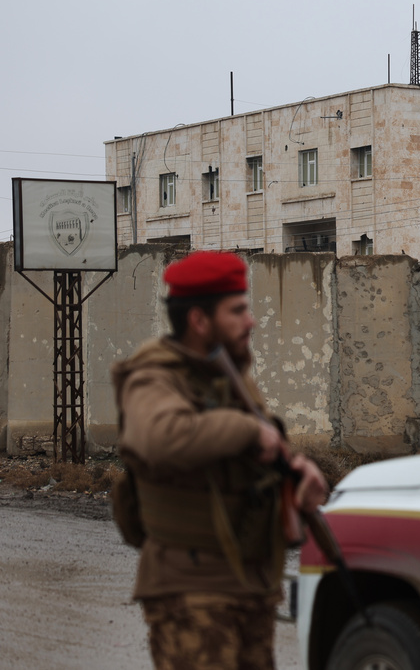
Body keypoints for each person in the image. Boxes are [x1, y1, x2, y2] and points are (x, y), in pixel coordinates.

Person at [111, 251, 328, 670]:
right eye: (238, 310)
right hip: (192, 591)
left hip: (248, 586)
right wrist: (248, 431)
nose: (251, 320)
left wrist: (297, 471)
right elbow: (161, 438)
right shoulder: (153, 377)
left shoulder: (229, 375)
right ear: (198, 320)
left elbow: (252, 460)